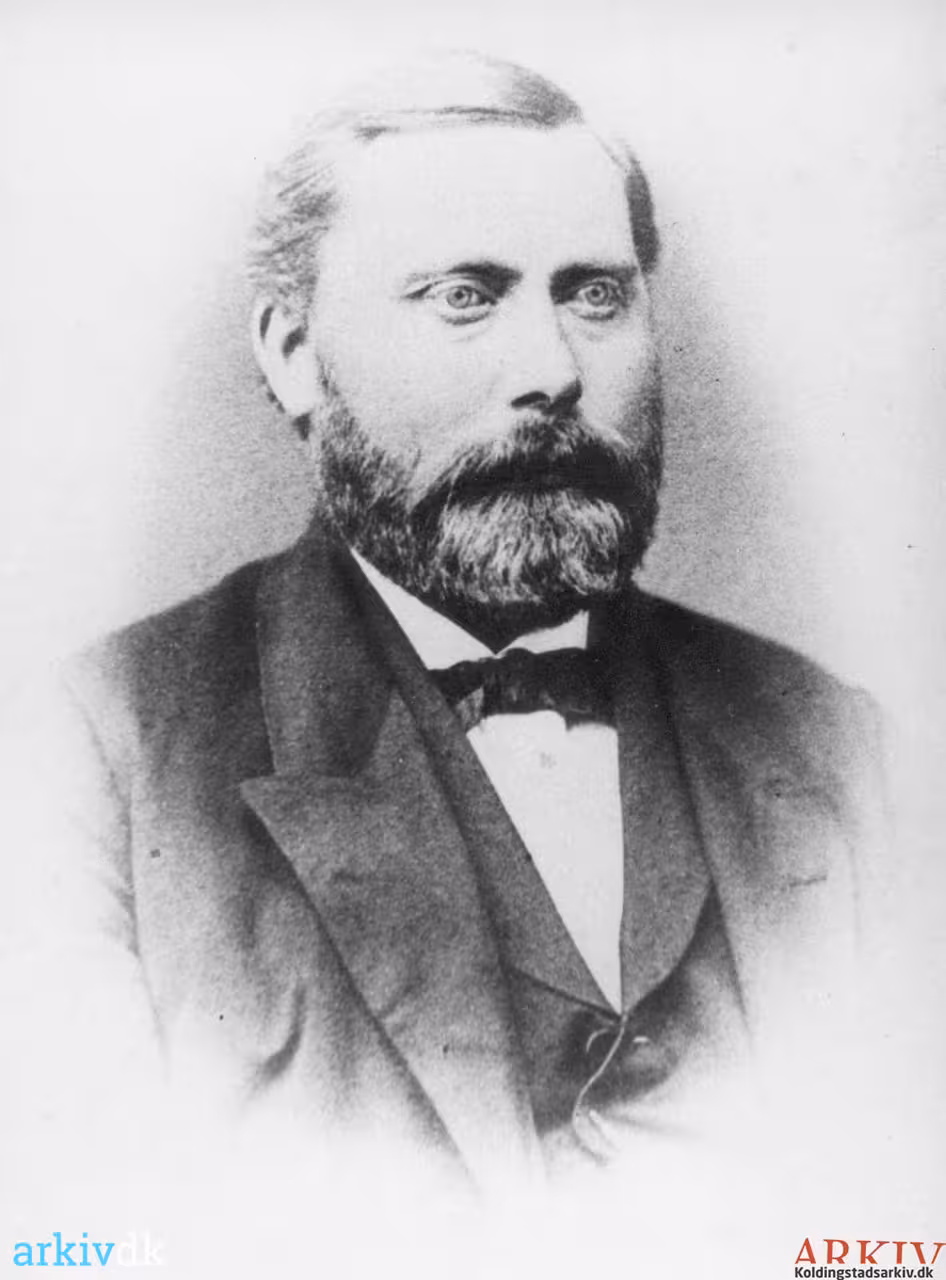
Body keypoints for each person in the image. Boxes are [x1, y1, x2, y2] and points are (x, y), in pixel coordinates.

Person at [10, 51, 885, 1201]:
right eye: (464, 296)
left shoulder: (842, 742)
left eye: (594, 294)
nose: (551, 370)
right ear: (292, 353)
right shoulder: (91, 754)